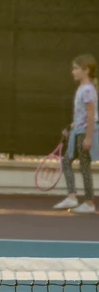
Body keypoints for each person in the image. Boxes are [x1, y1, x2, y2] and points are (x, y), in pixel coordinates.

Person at [53, 54, 99, 214]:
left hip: (85, 133)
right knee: (66, 161)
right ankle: (72, 197)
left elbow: (91, 115)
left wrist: (88, 137)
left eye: (76, 68)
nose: (73, 72)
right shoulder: (82, 88)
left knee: (84, 166)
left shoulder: (87, 89)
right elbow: (80, 115)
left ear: (85, 70)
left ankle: (89, 202)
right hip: (77, 131)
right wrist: (70, 127)